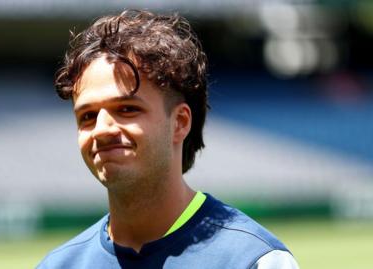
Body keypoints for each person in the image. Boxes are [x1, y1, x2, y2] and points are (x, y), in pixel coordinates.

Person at [37, 10, 299, 269]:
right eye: (87, 116)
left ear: (180, 123)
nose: (101, 129)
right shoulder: (58, 265)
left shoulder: (252, 260)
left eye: (127, 109)